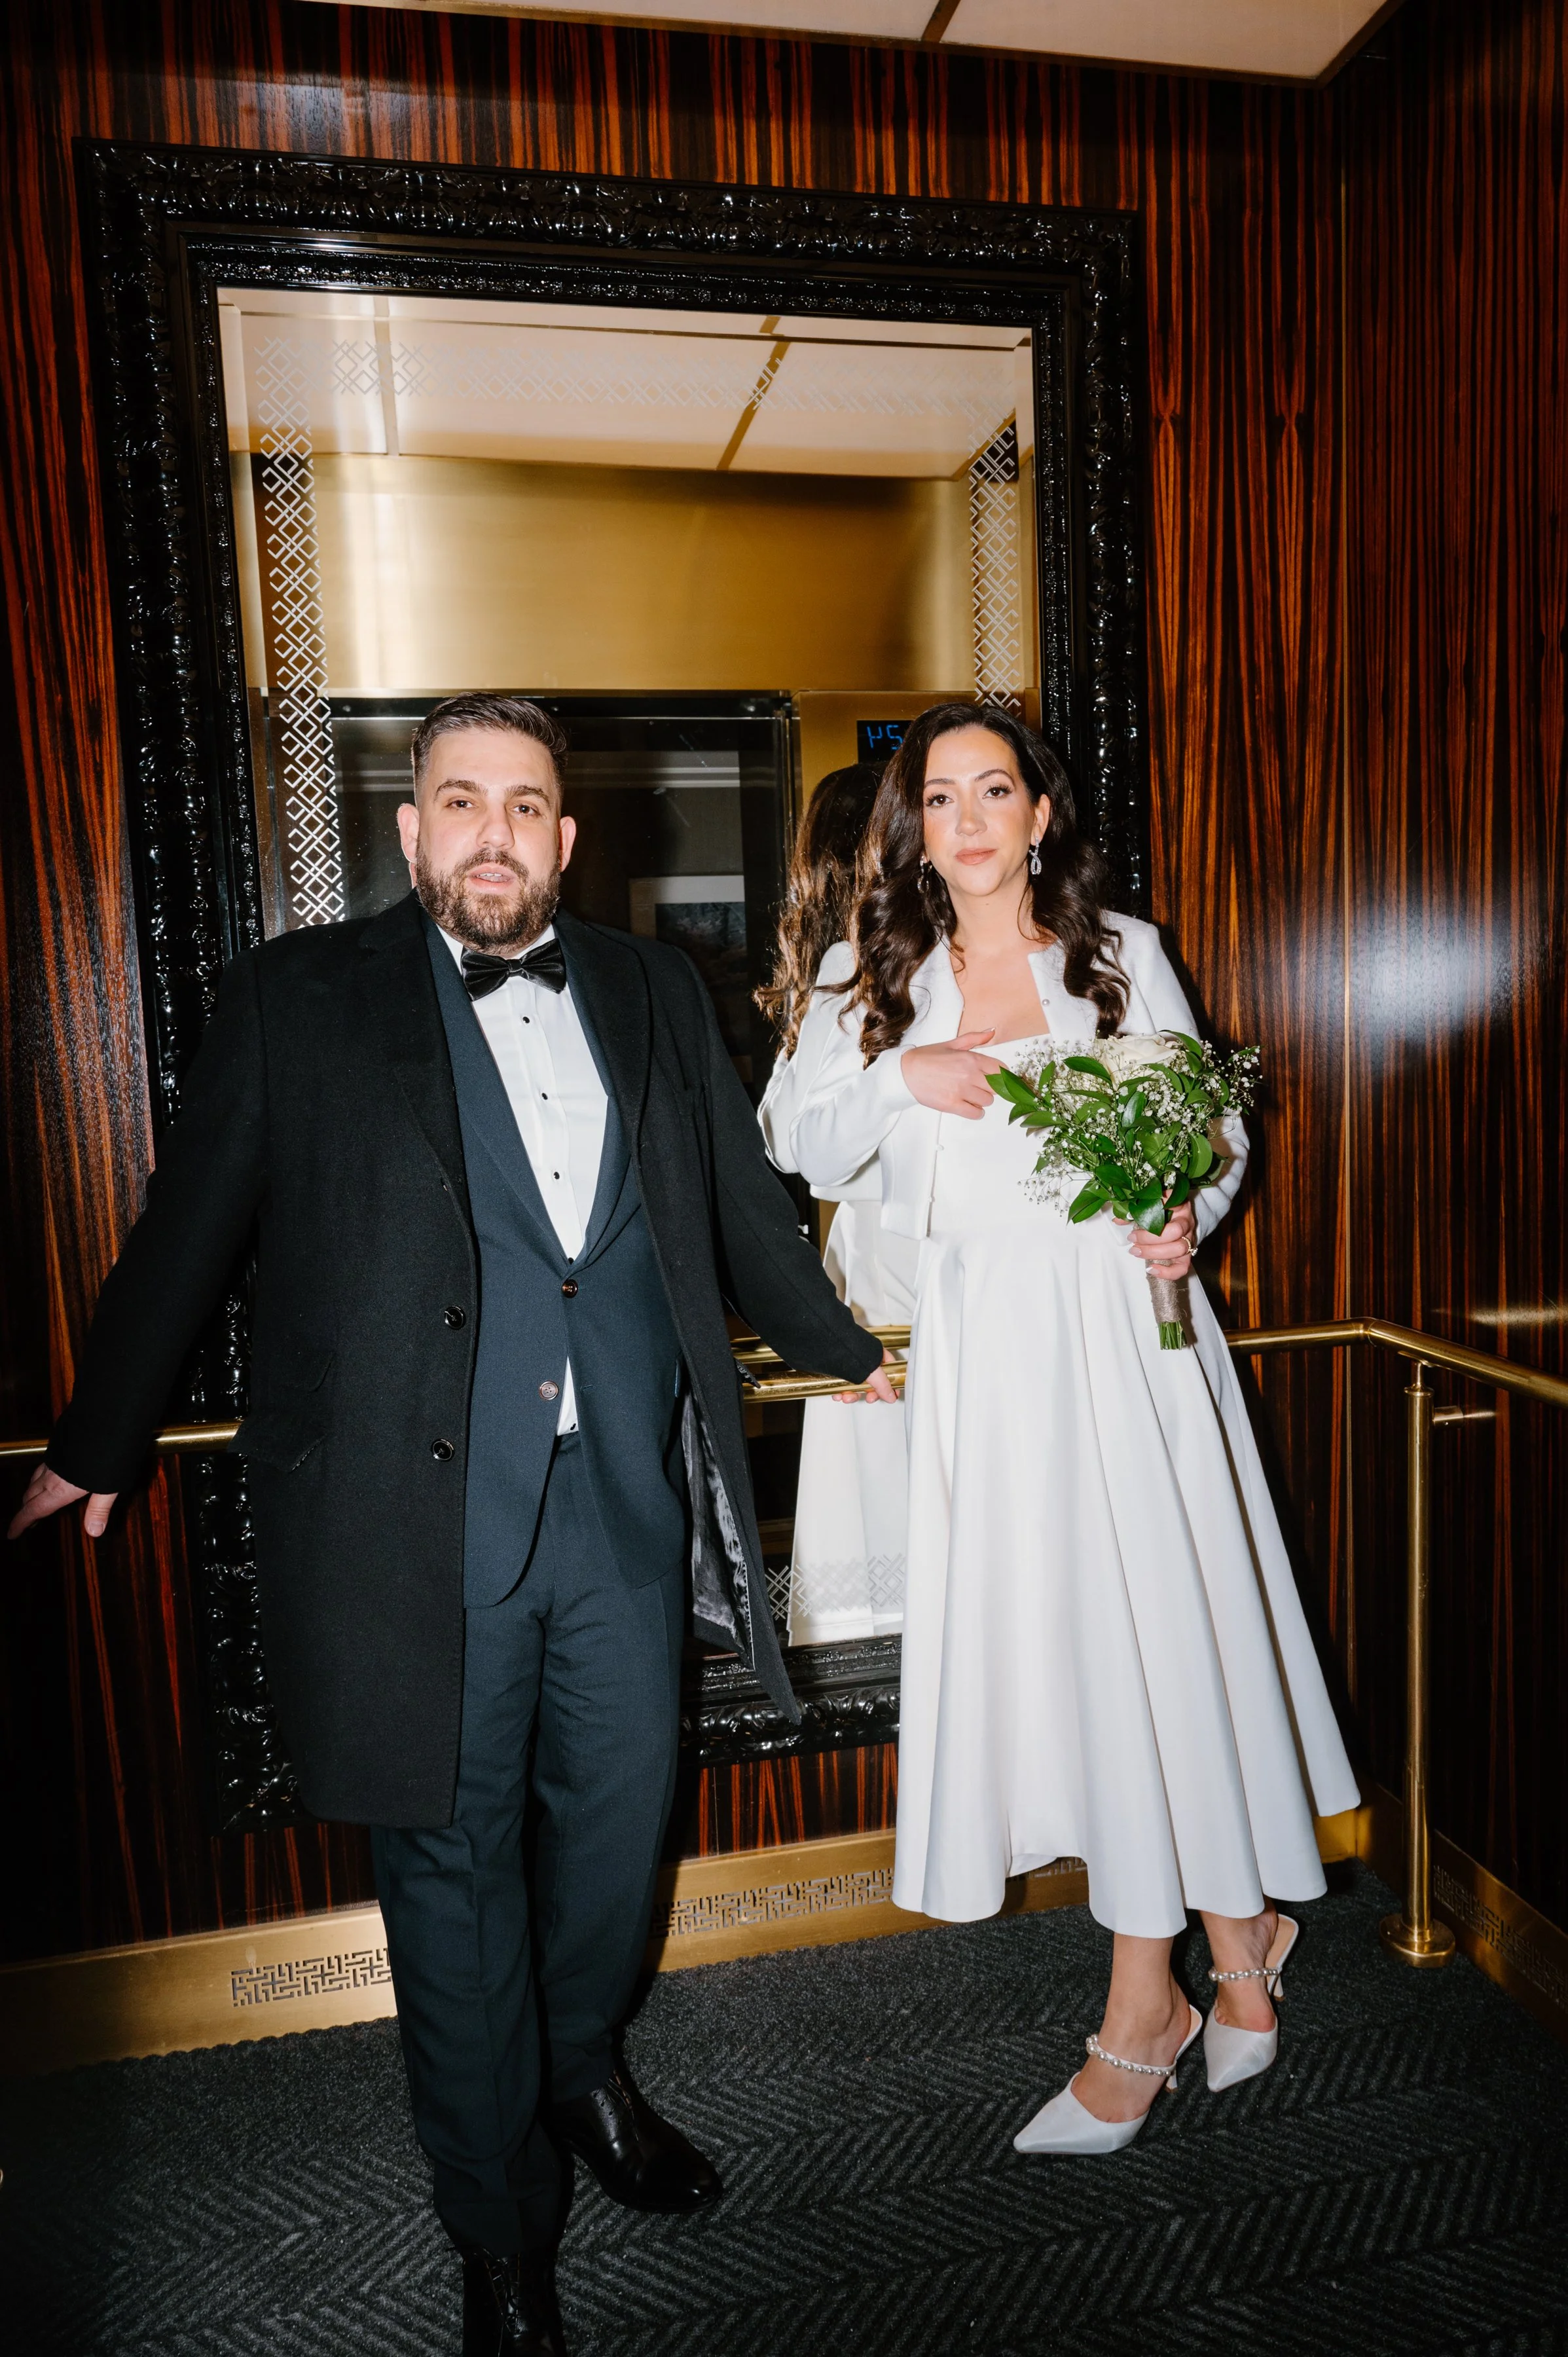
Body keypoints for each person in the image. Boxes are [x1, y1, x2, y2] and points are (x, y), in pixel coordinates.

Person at [9, 693, 891, 2355]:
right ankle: (497, 2231)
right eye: (461, 801)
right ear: (412, 836)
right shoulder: (301, 999)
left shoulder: (645, 988)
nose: (496, 831)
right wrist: (99, 1432)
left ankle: (576, 2070)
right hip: (411, 1544)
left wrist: (850, 1354)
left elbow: (733, 1210)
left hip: (623, 1521)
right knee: (450, 1883)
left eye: (528, 805)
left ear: (568, 837)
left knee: (621, 1853)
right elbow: (182, 1231)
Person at [780, 702, 1359, 2157]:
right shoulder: (872, 971)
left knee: (1167, 1643)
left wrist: (1185, 1219)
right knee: (1101, 1659)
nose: (968, 819)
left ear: (1042, 816)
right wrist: (900, 1074)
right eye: (941, 796)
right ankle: (1235, 1950)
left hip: (1135, 1347)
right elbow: (794, 1133)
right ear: (913, 822)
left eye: (997, 790)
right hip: (993, 1368)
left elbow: (1206, 1141)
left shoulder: (1121, 958)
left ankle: (1147, 2007)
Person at [757, 763, 914, 1645]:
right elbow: (791, 1143)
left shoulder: (856, 964)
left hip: (891, 1270)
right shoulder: (850, 968)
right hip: (886, 1271)